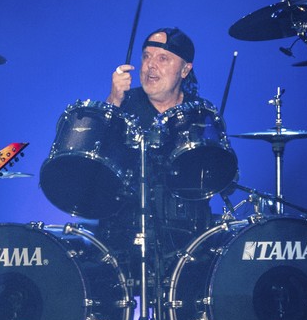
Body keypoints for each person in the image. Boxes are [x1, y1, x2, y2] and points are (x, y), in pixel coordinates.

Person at [99, 27, 233, 256]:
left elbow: (225, 180)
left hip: (188, 238)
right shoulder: (122, 103)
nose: (151, 65)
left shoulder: (200, 114)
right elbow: (97, 165)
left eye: (163, 58)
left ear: (185, 69)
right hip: (124, 233)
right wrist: (112, 102)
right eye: (146, 57)